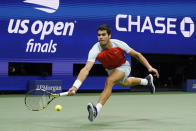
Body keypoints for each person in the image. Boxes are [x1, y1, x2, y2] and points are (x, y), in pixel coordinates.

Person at [67, 24, 159, 122]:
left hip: (123, 66)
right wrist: (75, 86)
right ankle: (146, 81)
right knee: (126, 83)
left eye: (103, 35)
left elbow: (137, 55)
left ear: (109, 36)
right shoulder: (95, 50)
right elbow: (86, 69)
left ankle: (96, 110)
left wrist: (149, 67)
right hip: (110, 70)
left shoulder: (118, 44)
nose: (101, 37)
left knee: (109, 81)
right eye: (99, 35)